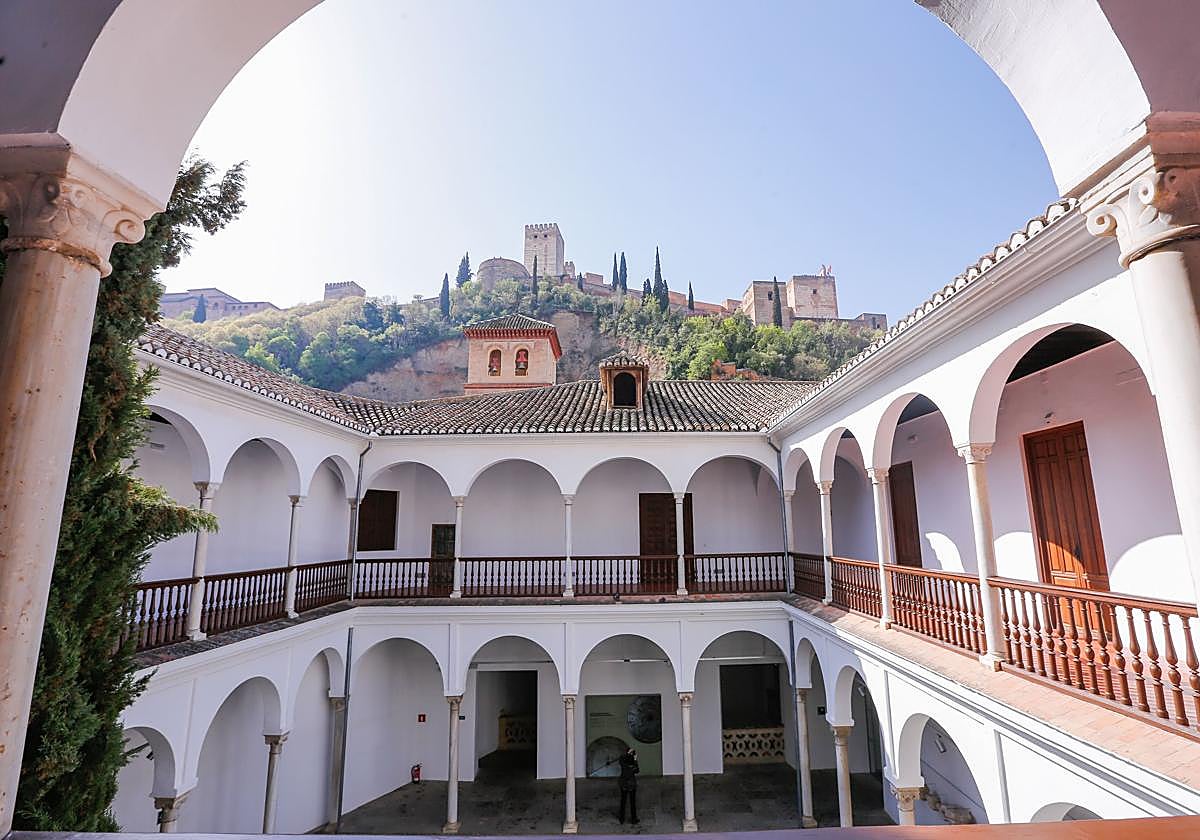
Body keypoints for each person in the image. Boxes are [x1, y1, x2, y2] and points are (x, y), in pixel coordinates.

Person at [618, 746, 640, 825]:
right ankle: (633, 819)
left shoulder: (622, 760)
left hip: (623, 782)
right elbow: (637, 770)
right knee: (632, 802)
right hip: (631, 783)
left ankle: (621, 819)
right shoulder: (632, 762)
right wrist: (635, 759)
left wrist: (628, 754)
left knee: (623, 801)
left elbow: (621, 760)